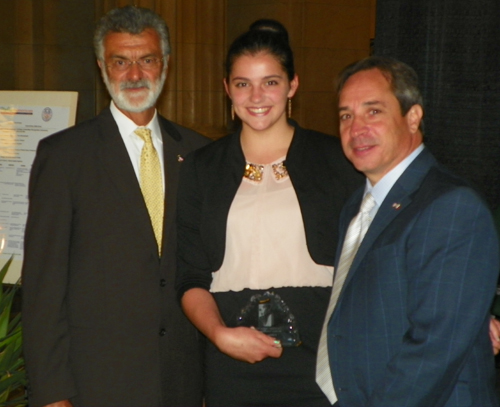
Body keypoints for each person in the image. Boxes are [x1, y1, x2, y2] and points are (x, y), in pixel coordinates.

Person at [22, 6, 209, 407]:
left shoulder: (198, 153)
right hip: (97, 384)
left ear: (166, 64)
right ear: (101, 67)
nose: (135, 74)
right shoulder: (64, 156)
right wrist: (53, 393)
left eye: (146, 60)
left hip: (182, 382)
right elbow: (43, 287)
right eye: (120, 61)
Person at [175, 20, 363, 407]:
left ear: (292, 85)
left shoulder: (338, 159)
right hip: (231, 362)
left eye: (270, 82)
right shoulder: (200, 167)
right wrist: (219, 335)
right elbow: (189, 274)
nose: (256, 95)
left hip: (321, 359)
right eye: (243, 83)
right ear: (227, 88)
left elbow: (382, 251)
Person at [318, 56, 499, 406]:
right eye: (346, 116)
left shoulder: (451, 206)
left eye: (373, 112)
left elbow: (434, 348)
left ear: (413, 117)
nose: (356, 129)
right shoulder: (357, 205)